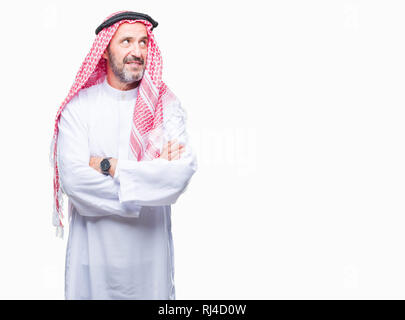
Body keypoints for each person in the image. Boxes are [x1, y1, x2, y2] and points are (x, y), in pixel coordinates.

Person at [49, 11, 197, 300]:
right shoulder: (79, 109)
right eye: (126, 41)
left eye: (143, 43)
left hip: (150, 268)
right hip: (93, 265)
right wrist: (149, 182)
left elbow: (178, 177)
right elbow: (75, 183)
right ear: (104, 50)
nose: (137, 51)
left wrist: (109, 166)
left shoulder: (166, 106)